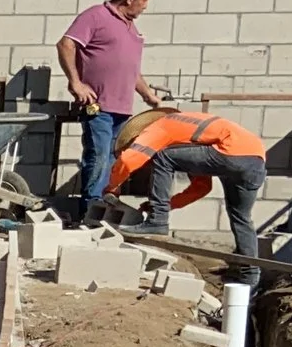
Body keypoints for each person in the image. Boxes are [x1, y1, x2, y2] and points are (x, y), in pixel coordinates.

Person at [104, 108, 270, 281]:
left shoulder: (159, 126)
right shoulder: (190, 131)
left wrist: (112, 187)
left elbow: (128, 159)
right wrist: (167, 204)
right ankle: (250, 275)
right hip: (255, 160)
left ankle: (157, 222)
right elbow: (201, 187)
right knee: (241, 217)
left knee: (162, 157)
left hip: (229, 151)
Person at [56, 0, 168, 218]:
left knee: (111, 157)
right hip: (97, 106)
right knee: (98, 154)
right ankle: (90, 210)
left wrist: (149, 96)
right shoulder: (96, 15)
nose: (146, 5)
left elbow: (130, 69)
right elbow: (66, 44)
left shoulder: (131, 28)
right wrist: (76, 82)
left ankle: (102, 205)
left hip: (121, 108)